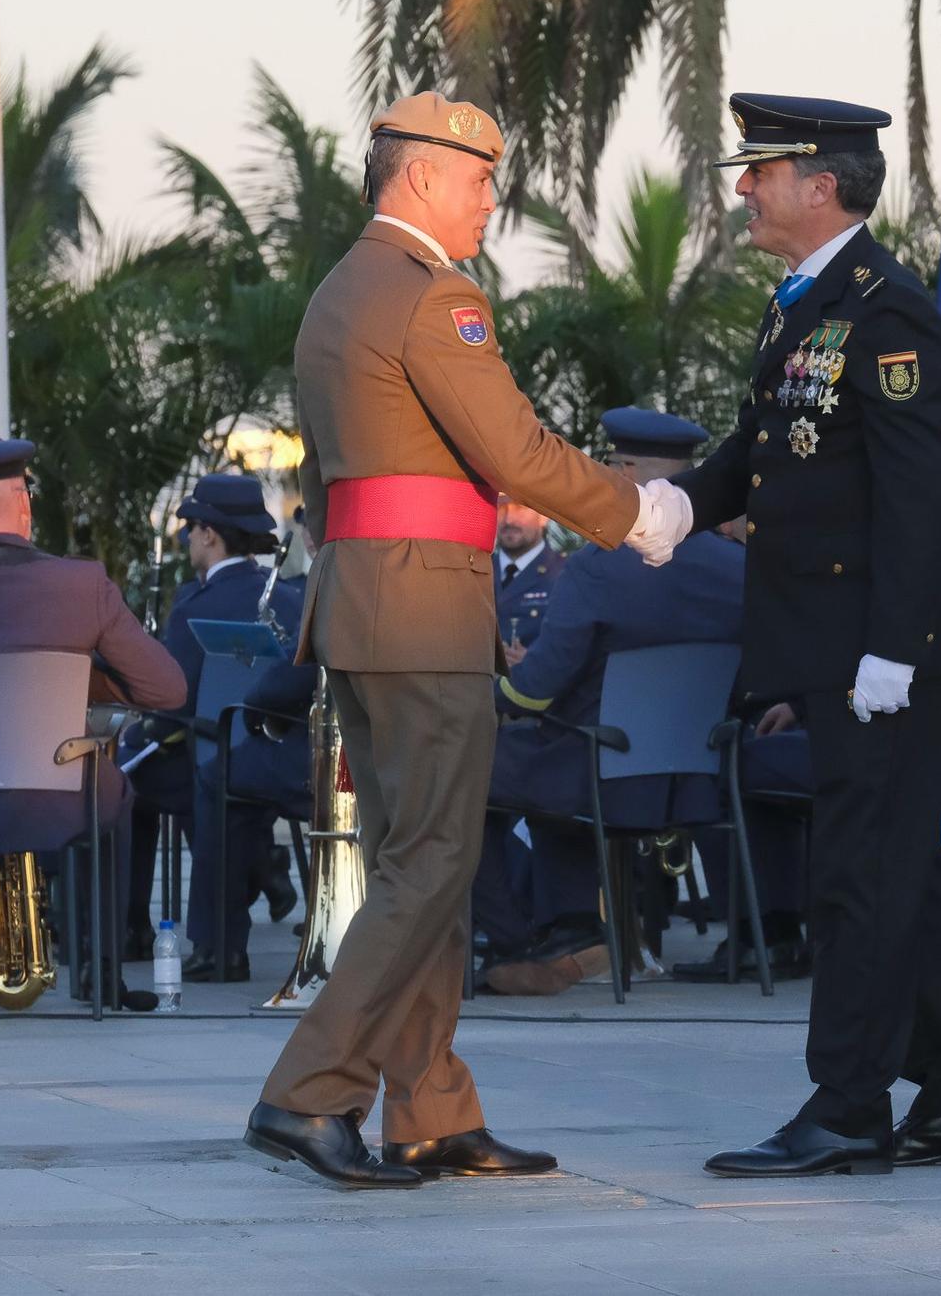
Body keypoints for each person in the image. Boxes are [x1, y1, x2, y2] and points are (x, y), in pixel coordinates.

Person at [244, 90, 673, 1190]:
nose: (491, 200)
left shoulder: (341, 290)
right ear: (425, 174)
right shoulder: (436, 297)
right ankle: (309, 1092)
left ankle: (429, 1108)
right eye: (481, 178)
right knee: (432, 860)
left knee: (418, 863)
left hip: (364, 602)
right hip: (425, 607)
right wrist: (638, 511)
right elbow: (516, 449)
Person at [628, 93, 941, 1177]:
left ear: (823, 184)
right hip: (838, 641)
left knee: (859, 873)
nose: (745, 187)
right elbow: (758, 453)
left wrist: (887, 652)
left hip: (888, 649)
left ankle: (847, 1106)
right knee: (907, 868)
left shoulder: (887, 311)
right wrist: (667, 509)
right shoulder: (803, 302)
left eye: (763, 170)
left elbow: (908, 495)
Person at [475, 406, 755, 995]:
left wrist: (489, 694)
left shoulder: (597, 569)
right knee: (543, 766)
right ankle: (571, 927)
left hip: (600, 779)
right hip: (705, 781)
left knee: (465, 775)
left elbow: (536, 686)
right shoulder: (740, 568)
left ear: (626, 475)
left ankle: (516, 943)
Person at [0, 434, 187, 1013]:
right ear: (24, 504)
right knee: (116, 795)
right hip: (61, 795)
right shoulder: (82, 586)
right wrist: (87, 678)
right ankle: (102, 974)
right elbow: (168, 689)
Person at [144, 474, 305, 982]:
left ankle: (127, 930)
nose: (188, 539)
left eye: (191, 528)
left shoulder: (197, 604)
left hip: (224, 750)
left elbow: (174, 698)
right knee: (212, 774)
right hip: (281, 745)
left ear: (210, 534)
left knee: (144, 783)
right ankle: (260, 869)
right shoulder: (291, 596)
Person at [493, 497, 563, 655]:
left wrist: (534, 663)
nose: (509, 519)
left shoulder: (566, 575)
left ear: (544, 517)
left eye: (520, 508)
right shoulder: (477, 572)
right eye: (502, 508)